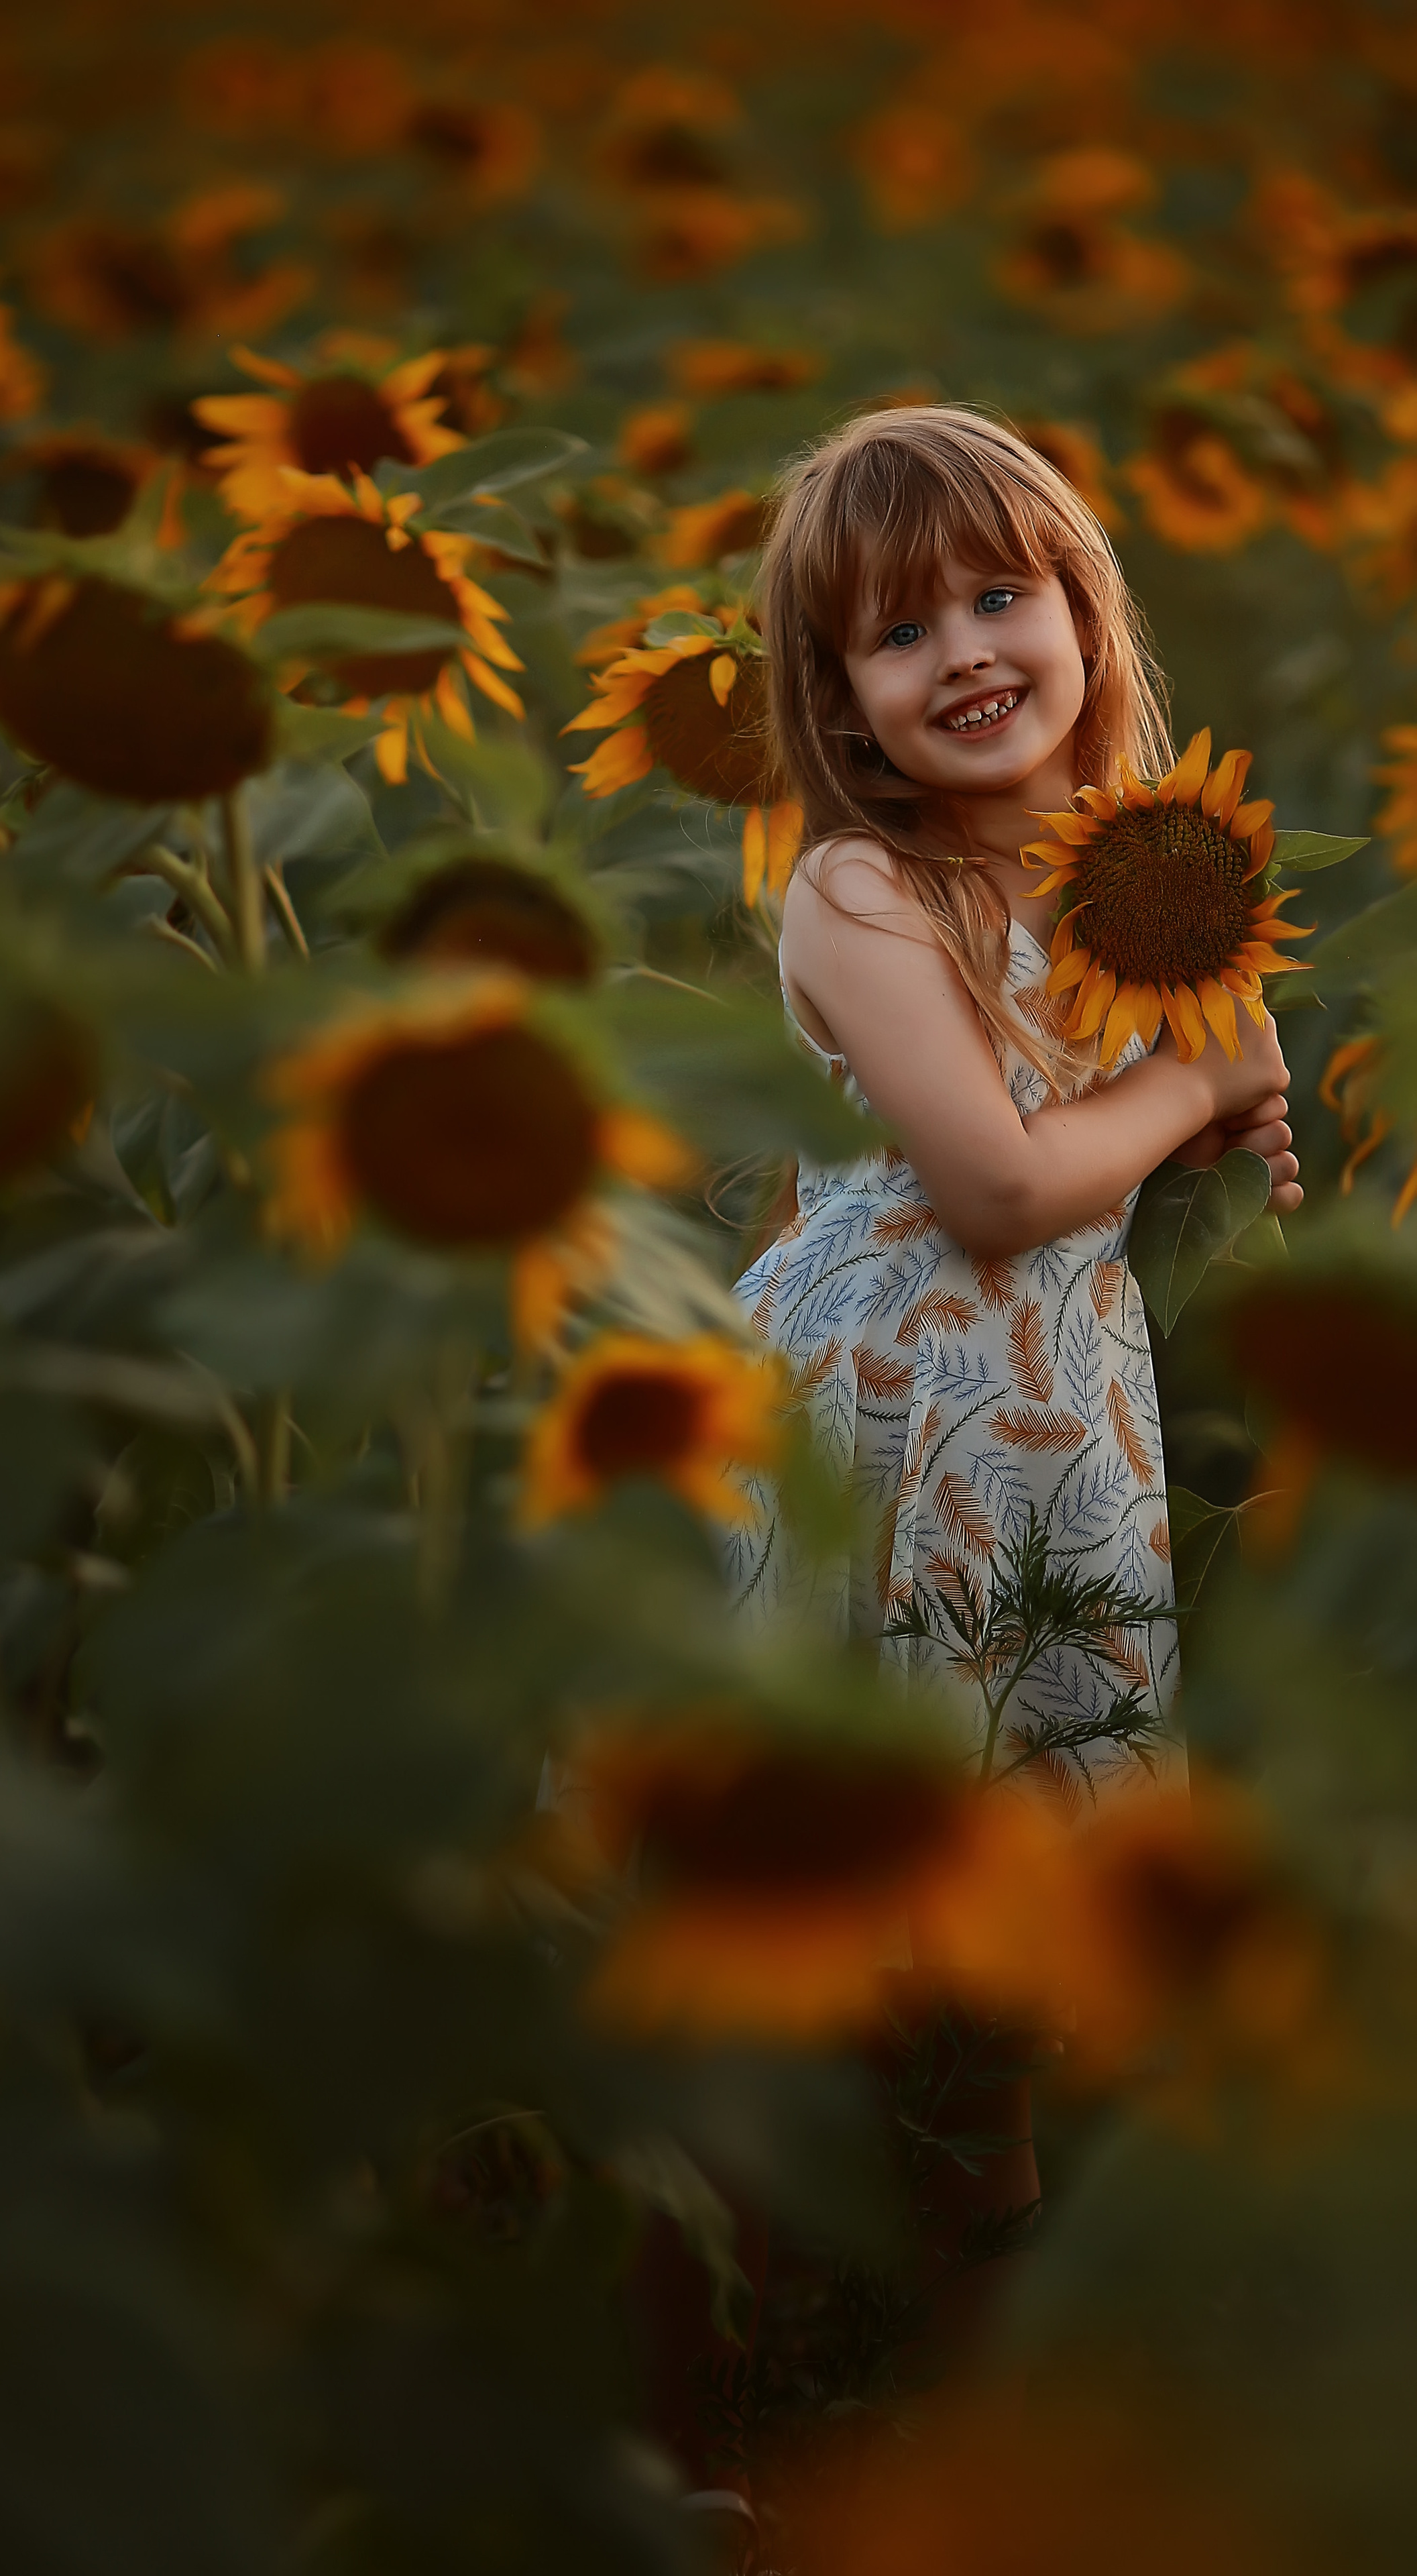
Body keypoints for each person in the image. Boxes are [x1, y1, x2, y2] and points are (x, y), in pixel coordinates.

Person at [673, 407, 1303, 2553]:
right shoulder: (861, 884)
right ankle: (723, 2394)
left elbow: (1221, 1111)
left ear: (1081, 611)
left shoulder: (1143, 864)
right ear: (832, 700)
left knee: (1015, 1898)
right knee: (816, 1909)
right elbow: (1001, 1176)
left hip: (1056, 1440)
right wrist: (1188, 1086)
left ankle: (965, 2402)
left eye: (999, 596)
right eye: (893, 631)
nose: (961, 650)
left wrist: (1239, 1100)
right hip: (879, 1429)